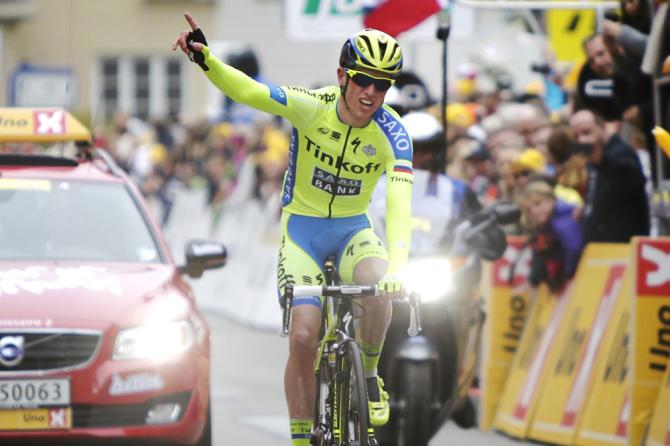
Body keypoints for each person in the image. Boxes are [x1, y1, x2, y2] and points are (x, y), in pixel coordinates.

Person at [173, 14, 413, 445]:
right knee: (304, 333)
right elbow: (251, 92)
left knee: (378, 283)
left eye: (383, 85)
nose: (372, 93)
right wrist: (207, 60)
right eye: (364, 80)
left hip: (354, 229)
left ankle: (372, 373)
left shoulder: (393, 134)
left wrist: (398, 265)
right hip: (303, 228)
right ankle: (302, 436)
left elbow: (399, 204)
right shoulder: (312, 105)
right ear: (343, 76)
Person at [370, 111, 480, 255]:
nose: (418, 156)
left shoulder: (457, 191)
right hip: (381, 266)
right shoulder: (370, 187)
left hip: (438, 267)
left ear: (437, 152)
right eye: (411, 148)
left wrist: (485, 235)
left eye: (426, 149)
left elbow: (478, 227)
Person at [569, 109, 649, 243]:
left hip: (620, 249)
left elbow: (631, 184)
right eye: (576, 136)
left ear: (602, 127)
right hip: (599, 251)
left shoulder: (620, 153)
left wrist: (600, 159)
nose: (582, 140)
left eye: (587, 132)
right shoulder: (593, 158)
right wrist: (588, 207)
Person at [520, 175, 583, 292]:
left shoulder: (562, 220)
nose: (534, 211)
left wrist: (567, 273)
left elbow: (574, 249)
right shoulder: (547, 224)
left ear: (550, 199)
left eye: (537, 203)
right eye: (529, 209)